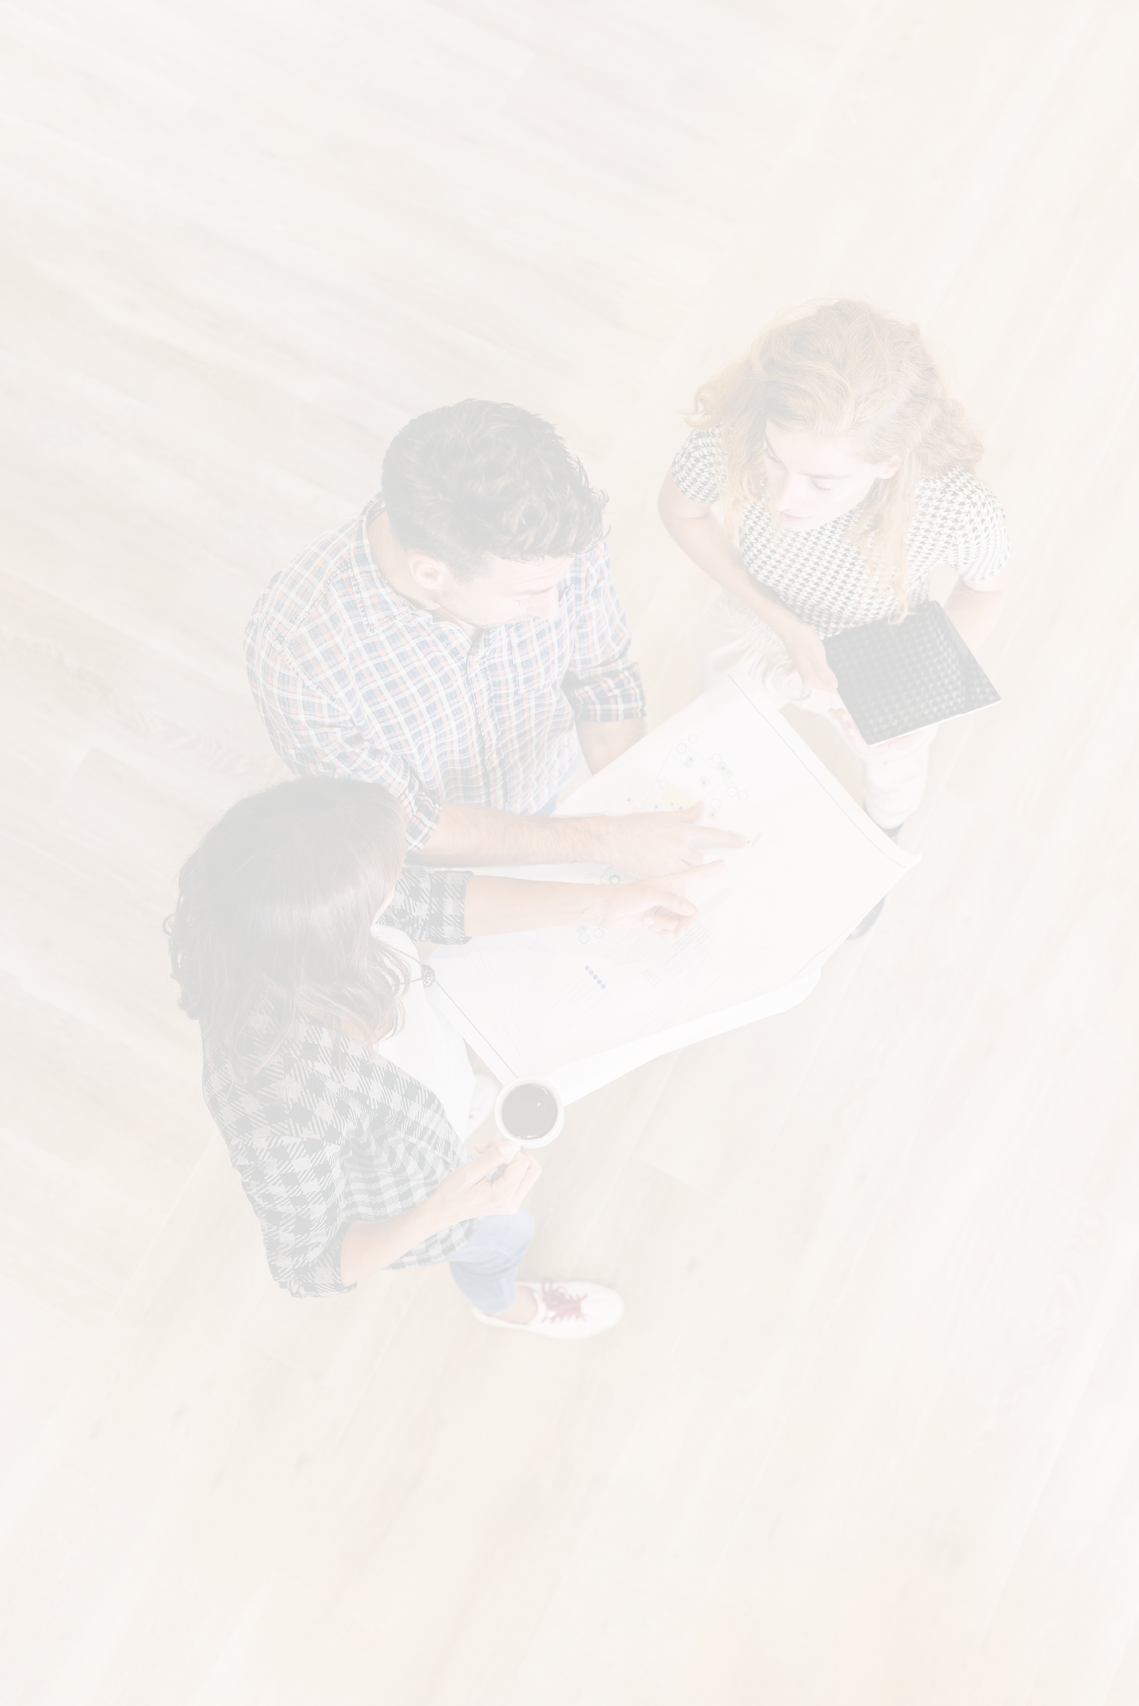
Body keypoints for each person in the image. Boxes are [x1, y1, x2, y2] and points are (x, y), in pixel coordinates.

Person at [165, 775, 722, 1336]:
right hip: (414, 1192)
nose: (400, 882)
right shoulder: (272, 1098)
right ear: (332, 932)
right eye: (388, 882)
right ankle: (501, 1303)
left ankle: (454, 1114)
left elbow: (437, 903)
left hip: (427, 1099)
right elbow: (306, 1266)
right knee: (507, 1235)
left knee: (458, 1099)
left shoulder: (311, 901)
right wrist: (446, 1210)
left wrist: (604, 905)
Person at [246, 398, 745, 879]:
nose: (552, 609)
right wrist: (604, 838)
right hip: (428, 856)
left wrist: (632, 813)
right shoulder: (299, 655)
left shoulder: (556, 540)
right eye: (528, 595)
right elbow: (406, 825)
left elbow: (601, 677)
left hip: (541, 788)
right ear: (430, 572)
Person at [658, 298, 1011, 936]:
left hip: (881, 648)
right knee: (719, 720)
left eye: (823, 482)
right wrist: (783, 623)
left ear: (890, 464)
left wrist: (912, 686)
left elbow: (983, 593)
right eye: (774, 459)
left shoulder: (959, 511)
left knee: (895, 764)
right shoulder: (738, 434)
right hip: (753, 621)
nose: (785, 498)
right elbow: (681, 510)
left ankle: (879, 844)